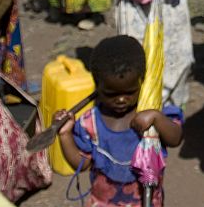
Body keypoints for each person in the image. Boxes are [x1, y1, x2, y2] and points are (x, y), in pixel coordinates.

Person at [55, 35, 183, 207]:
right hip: (103, 202)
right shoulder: (90, 123)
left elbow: (175, 138)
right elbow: (81, 164)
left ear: (142, 81)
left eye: (130, 92)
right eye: (111, 94)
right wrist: (65, 135)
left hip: (146, 201)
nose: (121, 99)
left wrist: (157, 118)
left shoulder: (153, 111)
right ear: (97, 86)